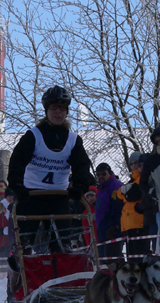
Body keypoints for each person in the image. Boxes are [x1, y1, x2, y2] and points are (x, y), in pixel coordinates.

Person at [8, 86, 93, 252]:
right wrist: (17, 187)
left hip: (58, 196)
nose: (58, 112)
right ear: (47, 110)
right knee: (24, 242)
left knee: (62, 244)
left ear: (66, 112)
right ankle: (20, 264)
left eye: (62, 108)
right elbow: (17, 162)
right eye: (53, 107)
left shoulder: (73, 140)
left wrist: (78, 187)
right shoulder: (33, 136)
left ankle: (61, 271)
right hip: (31, 196)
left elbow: (82, 165)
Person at [112, 151, 151, 259]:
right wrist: (124, 193)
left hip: (139, 222)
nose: (134, 166)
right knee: (132, 258)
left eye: (136, 163)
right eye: (131, 163)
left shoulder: (143, 178)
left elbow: (132, 195)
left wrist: (125, 193)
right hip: (129, 224)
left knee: (140, 257)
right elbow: (118, 195)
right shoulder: (131, 181)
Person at [95, 163, 123, 258]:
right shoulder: (101, 188)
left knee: (111, 257)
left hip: (111, 227)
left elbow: (117, 207)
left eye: (103, 173)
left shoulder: (115, 185)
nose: (100, 176)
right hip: (102, 227)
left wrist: (114, 225)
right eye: (98, 174)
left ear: (110, 173)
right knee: (103, 256)